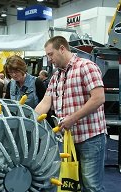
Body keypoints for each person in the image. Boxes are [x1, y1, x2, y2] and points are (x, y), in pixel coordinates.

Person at [35, 36, 106, 191]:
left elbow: (99, 98)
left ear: (62, 48)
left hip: (90, 138)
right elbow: (45, 103)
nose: (49, 59)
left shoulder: (86, 67)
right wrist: (27, 120)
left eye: (50, 54)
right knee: (74, 186)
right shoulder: (56, 76)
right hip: (69, 140)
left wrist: (72, 119)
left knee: (92, 187)